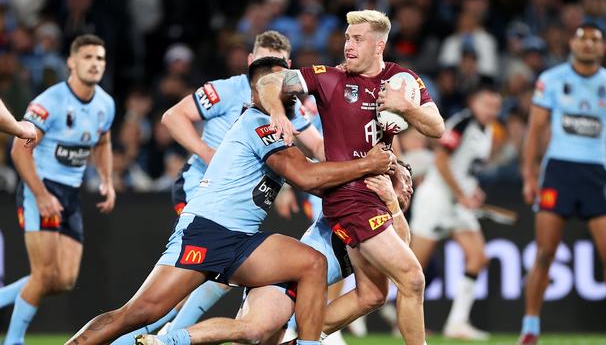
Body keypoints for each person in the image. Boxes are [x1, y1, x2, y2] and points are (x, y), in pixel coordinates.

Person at [65, 57, 394, 345]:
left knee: (312, 264)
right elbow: (308, 178)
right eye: (280, 82)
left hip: (239, 240)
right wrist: (369, 165)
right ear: (259, 91)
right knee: (139, 313)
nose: (292, 87)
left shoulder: (279, 128)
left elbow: (320, 178)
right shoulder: (259, 122)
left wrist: (382, 178)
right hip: (206, 231)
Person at [110, 31, 324, 344]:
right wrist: (209, 154)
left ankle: (167, 337)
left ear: (288, 68)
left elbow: (315, 149)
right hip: (201, 190)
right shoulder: (228, 90)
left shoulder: (292, 107)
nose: (268, 72)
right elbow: (173, 117)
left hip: (235, 206)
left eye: (276, 64)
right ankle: (164, 336)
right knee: (184, 287)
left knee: (204, 281)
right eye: (261, 61)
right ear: (251, 62)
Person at [258, 9, 445, 345]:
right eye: (347, 37)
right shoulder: (329, 79)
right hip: (349, 198)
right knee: (413, 279)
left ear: (379, 44)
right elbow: (269, 82)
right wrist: (276, 110)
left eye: (357, 39)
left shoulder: (401, 80)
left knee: (372, 294)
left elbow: (437, 127)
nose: (348, 45)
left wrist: (406, 107)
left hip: (375, 195)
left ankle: (297, 340)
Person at [138, 161, 414, 345]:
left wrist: (392, 203)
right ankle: (167, 341)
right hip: (285, 281)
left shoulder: (385, 221)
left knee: (375, 295)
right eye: (404, 180)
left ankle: (310, 335)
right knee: (252, 330)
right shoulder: (354, 203)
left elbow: (402, 253)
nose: (410, 188)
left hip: (304, 293)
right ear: (382, 182)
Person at [519, 23, 606, 345]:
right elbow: (535, 131)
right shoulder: (551, 80)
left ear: (603, 49)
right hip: (558, 173)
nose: (588, 43)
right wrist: (529, 176)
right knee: (544, 255)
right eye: (582, 38)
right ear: (572, 44)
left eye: (595, 39)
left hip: (596, 174)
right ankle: (530, 328)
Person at [0, 34, 115, 345]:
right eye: (88, 57)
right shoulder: (49, 102)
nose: (95, 64)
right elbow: (18, 149)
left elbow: (103, 141)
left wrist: (107, 180)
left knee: (63, 280)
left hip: (71, 194)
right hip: (42, 187)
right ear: (71, 62)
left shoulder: (106, 104)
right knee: (44, 273)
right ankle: (13, 340)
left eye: (100, 58)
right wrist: (40, 194)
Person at [409, 88, 502, 340]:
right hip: (436, 200)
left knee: (478, 258)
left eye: (496, 106)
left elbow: (466, 169)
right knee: (413, 269)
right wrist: (462, 194)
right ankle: (391, 315)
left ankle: (457, 323)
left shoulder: (489, 130)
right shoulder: (462, 123)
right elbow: (440, 160)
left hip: (458, 204)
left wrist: (473, 191)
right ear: (474, 102)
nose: (491, 110)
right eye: (487, 104)